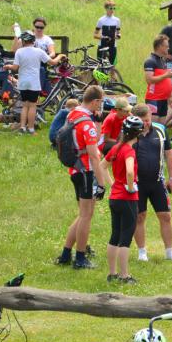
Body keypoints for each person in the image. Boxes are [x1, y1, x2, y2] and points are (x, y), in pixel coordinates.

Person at [57, 85, 113, 269]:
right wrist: (102, 184)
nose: (101, 106)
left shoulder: (73, 114)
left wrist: (97, 120)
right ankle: (80, 258)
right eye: (101, 102)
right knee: (86, 216)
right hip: (86, 172)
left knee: (82, 214)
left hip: (75, 169)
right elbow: (94, 155)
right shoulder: (87, 124)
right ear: (95, 101)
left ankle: (66, 254)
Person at [130, 103, 172, 263]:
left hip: (158, 181)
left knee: (165, 216)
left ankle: (169, 252)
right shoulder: (130, 131)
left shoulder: (160, 129)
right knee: (139, 217)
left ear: (151, 116)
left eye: (147, 120)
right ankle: (142, 252)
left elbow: (169, 154)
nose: (145, 124)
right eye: (141, 121)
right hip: (137, 183)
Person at [104, 114, 144, 284]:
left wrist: (113, 184)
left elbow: (102, 166)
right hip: (127, 198)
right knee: (125, 238)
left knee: (115, 235)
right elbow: (129, 171)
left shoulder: (116, 148)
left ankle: (112, 273)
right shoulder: (129, 151)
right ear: (138, 134)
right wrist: (130, 187)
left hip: (115, 197)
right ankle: (124, 275)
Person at [5, 31, 66, 134]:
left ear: (24, 41)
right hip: (33, 82)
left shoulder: (19, 52)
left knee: (25, 106)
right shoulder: (39, 51)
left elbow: (15, 67)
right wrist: (60, 56)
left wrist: (8, 66)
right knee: (32, 106)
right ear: (33, 41)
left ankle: (22, 128)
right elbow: (52, 62)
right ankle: (31, 129)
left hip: (23, 83)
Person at [144, 35, 172, 125]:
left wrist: (169, 96)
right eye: (166, 46)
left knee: (161, 126)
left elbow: (165, 80)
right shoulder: (150, 61)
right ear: (160, 47)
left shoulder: (162, 60)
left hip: (163, 99)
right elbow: (149, 80)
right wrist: (166, 75)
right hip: (154, 99)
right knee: (153, 126)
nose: (168, 48)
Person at [94, 0, 121, 65]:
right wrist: (103, 37)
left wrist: (118, 36)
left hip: (113, 46)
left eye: (114, 8)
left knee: (112, 67)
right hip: (102, 46)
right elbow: (95, 35)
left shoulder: (117, 20)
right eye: (111, 8)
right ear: (106, 9)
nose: (112, 10)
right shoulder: (101, 20)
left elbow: (119, 34)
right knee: (100, 66)